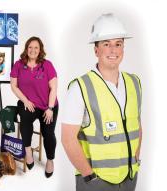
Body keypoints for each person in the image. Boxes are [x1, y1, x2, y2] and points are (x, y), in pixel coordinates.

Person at [61, 13, 142, 191]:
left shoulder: (134, 82)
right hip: (96, 182)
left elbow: (136, 125)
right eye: (107, 44)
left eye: (118, 44)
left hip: (129, 177)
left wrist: (135, 159)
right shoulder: (80, 87)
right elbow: (68, 139)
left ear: (123, 48)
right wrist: (89, 176)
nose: (113, 50)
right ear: (96, 50)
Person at [10, 36, 59, 178]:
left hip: (47, 105)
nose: (33, 50)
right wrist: (25, 100)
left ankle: (50, 160)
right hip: (29, 103)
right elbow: (13, 85)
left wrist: (50, 108)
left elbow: (54, 88)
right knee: (25, 120)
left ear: (40, 50)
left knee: (48, 133)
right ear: (26, 49)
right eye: (30, 47)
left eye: (36, 47)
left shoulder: (47, 65)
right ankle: (28, 151)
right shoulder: (19, 65)